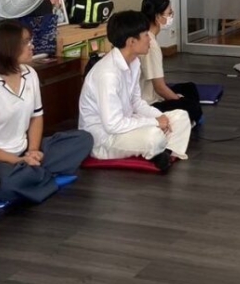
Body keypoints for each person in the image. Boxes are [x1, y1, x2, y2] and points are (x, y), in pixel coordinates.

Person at [0, 20, 92, 204]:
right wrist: (16, 161)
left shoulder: (30, 74)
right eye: (26, 42)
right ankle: (38, 177)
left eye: (30, 40)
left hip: (23, 151)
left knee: (83, 139)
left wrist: (33, 151)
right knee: (5, 181)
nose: (32, 46)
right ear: (8, 47)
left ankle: (33, 178)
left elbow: (36, 117)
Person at [78, 10, 191, 170]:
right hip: (105, 139)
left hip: (126, 123)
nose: (149, 39)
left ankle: (164, 152)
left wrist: (160, 117)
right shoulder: (108, 74)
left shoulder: (134, 62)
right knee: (154, 135)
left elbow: (136, 103)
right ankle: (159, 149)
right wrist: (154, 122)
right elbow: (113, 125)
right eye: (145, 35)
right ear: (131, 41)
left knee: (181, 117)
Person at [139, 0, 202, 126]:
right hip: (149, 104)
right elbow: (160, 88)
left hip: (152, 94)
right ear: (157, 17)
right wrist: (179, 100)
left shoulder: (146, 36)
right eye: (169, 13)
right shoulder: (150, 44)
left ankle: (188, 118)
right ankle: (187, 120)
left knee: (189, 87)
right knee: (193, 108)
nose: (171, 17)